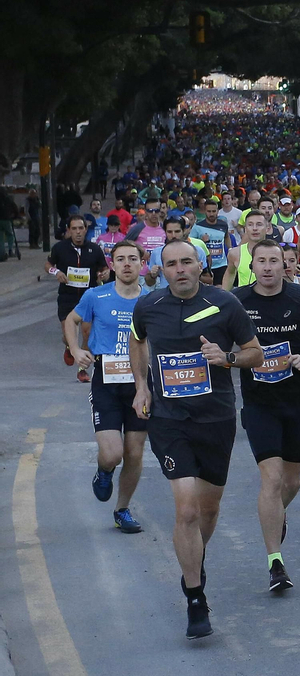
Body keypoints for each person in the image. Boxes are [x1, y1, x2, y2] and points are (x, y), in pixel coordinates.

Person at [129, 239, 265, 639]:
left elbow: (255, 352)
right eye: (171, 264)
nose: (180, 269)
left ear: (201, 265)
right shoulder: (148, 306)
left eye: (187, 262)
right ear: (161, 270)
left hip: (216, 418)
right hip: (169, 421)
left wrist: (227, 358)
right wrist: (142, 385)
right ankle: (194, 596)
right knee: (185, 510)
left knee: (207, 511)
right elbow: (137, 340)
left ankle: (195, 558)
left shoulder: (225, 303)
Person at [232, 240, 300, 593]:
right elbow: (220, 343)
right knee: (272, 480)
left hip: (296, 402)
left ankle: (275, 514)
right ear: (253, 265)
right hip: (259, 403)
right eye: (260, 261)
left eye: (273, 261)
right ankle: (275, 562)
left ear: (285, 265)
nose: (266, 267)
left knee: (290, 483)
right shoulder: (238, 301)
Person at [65, 239, 149, 532]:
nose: (127, 264)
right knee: (114, 453)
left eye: (132, 259)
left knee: (135, 453)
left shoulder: (152, 299)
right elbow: (71, 319)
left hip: (140, 383)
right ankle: (104, 470)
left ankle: (122, 509)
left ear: (142, 263)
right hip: (107, 381)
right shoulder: (96, 296)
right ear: (112, 265)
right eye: (121, 259)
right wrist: (76, 351)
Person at [51, 215, 109, 381]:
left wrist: (103, 274)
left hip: (87, 297)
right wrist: (57, 272)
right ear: (69, 230)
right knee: (67, 334)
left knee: (87, 332)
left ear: (86, 230)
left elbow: (103, 267)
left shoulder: (94, 249)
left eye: (81, 228)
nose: (78, 232)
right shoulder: (60, 248)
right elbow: (49, 264)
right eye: (74, 229)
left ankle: (82, 368)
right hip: (67, 296)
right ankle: (69, 346)